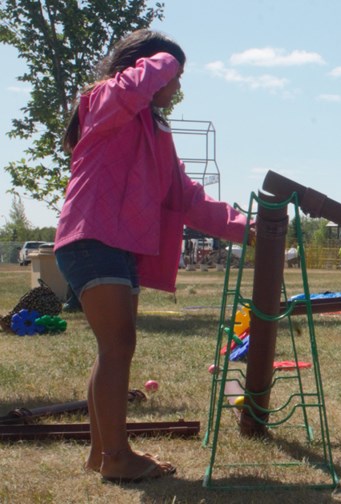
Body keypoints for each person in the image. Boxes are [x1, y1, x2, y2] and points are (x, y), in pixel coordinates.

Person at [55, 29, 252, 483]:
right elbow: (133, 86)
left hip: (120, 247)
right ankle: (117, 458)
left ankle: (102, 453)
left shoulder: (156, 132)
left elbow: (186, 198)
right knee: (118, 346)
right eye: (175, 75)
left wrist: (248, 228)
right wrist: (168, 55)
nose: (178, 88)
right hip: (90, 238)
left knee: (114, 350)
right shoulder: (105, 101)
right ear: (149, 66)